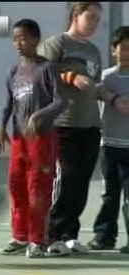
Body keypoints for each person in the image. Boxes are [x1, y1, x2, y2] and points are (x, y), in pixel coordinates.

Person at [37, 2, 129, 256]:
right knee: (64, 180)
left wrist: (112, 98)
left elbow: (95, 87)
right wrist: (70, 77)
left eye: (99, 19)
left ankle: (69, 235)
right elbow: (43, 75)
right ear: (75, 15)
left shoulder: (93, 52)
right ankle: (51, 235)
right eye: (90, 17)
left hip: (89, 126)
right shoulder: (57, 44)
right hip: (63, 124)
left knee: (80, 184)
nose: (95, 23)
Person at [0, 18, 68, 258]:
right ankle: (20, 236)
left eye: (23, 38)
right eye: (15, 38)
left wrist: (39, 115)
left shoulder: (47, 68)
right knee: (16, 187)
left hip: (41, 139)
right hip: (18, 140)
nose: (18, 43)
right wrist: (0, 127)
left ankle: (38, 240)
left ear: (36, 39)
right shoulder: (13, 71)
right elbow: (7, 103)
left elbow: (60, 101)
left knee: (38, 189)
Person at [87, 26, 129, 253]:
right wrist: (108, 95)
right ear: (114, 50)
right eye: (123, 48)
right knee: (110, 194)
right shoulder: (106, 76)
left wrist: (109, 96)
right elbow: (93, 91)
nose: (127, 52)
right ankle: (104, 235)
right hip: (110, 144)